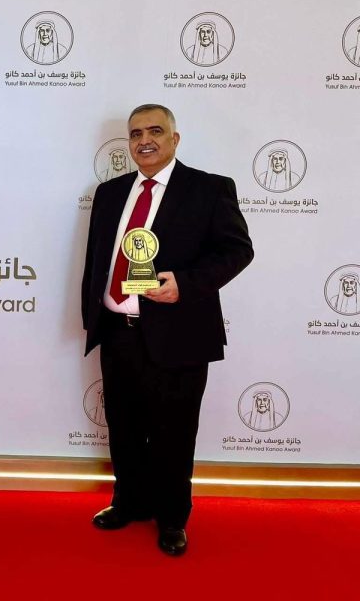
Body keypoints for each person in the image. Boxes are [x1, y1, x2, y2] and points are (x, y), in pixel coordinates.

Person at [81, 103, 253, 556]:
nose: (145, 140)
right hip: (118, 332)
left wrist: (186, 285)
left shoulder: (209, 189)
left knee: (174, 432)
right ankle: (129, 502)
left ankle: (173, 517)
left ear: (174, 139)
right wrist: (95, 315)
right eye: (136, 133)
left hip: (180, 334)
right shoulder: (109, 193)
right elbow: (97, 259)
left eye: (155, 131)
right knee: (123, 426)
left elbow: (238, 251)